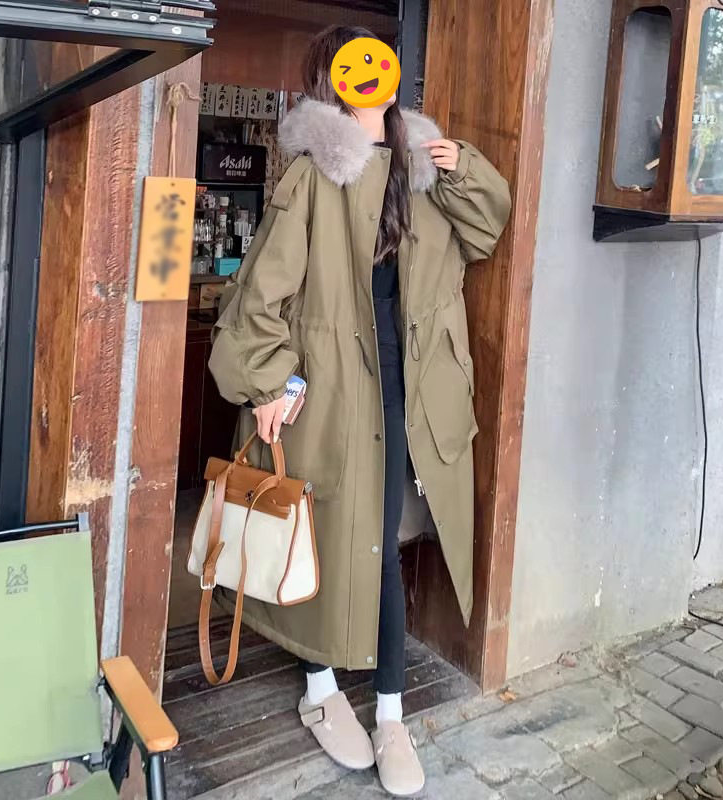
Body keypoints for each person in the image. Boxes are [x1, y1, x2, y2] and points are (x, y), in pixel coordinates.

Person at [208, 24, 511, 797]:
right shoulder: (313, 175)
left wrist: (463, 169)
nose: (366, 78)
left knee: (377, 545)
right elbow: (261, 291)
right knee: (326, 537)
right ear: (329, 84)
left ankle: (390, 713)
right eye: (350, 68)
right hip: (330, 387)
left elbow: (486, 230)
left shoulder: (424, 168)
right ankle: (322, 689)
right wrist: (267, 382)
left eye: (377, 63)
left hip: (405, 384)